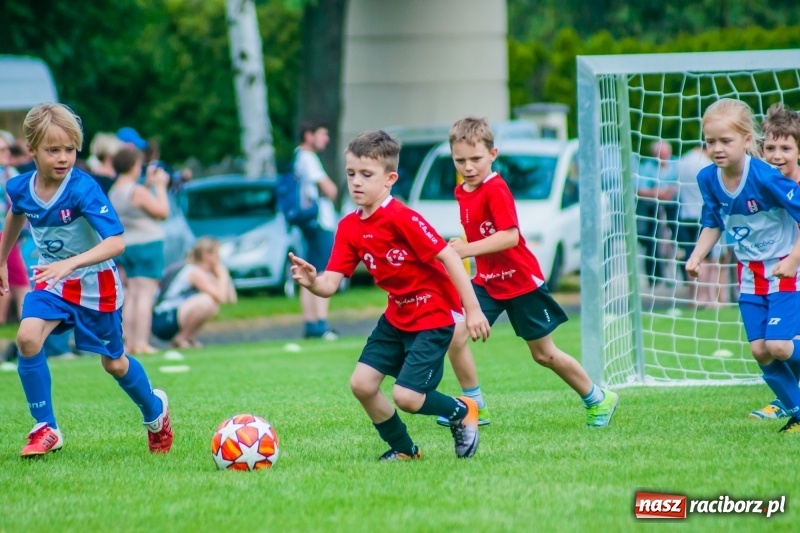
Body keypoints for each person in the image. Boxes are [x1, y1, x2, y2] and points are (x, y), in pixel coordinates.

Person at [289, 130, 489, 460]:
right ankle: (404, 449)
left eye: (366, 175)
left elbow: (450, 256)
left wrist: (473, 310)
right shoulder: (349, 226)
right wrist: (312, 281)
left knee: (408, 397)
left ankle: (461, 411)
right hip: (396, 319)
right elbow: (329, 285)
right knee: (362, 385)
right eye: (351, 173)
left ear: (389, 179)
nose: (356, 182)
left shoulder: (402, 217)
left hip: (432, 319)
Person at [0, 103, 172, 456]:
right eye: (53, 150)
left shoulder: (83, 188)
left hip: (96, 285)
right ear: (31, 149)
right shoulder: (18, 187)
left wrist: (71, 264)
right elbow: (16, 215)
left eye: (70, 149)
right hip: (52, 281)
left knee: (114, 363)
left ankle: (155, 412)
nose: (63, 158)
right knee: (28, 337)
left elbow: (116, 242)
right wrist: (2, 259)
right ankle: (45, 428)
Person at [446, 117, 619, 428]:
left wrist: (466, 249)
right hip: (486, 282)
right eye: (461, 160)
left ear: (493, 154)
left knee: (543, 355)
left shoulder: (495, 189)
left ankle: (597, 398)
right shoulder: (462, 191)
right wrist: (461, 244)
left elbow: (510, 236)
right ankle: (475, 406)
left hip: (520, 281)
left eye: (476, 159)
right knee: (453, 333)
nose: (469, 166)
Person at [686, 98, 800, 433]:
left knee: (779, 346)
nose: (717, 148)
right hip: (751, 277)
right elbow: (713, 220)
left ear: (748, 141)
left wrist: (793, 259)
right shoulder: (707, 178)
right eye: (710, 142)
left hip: (784, 273)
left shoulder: (765, 177)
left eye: (726, 141)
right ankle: (796, 411)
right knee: (760, 351)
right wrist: (697, 255)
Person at [747, 102, 800, 421]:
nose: (777, 155)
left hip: (793, 271)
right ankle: (788, 400)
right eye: (770, 148)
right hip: (778, 275)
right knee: (773, 344)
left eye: (786, 147)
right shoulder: (764, 184)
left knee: (782, 343)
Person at [108, 146, 170, 355]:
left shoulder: (115, 190)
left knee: (133, 293)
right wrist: (160, 187)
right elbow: (162, 212)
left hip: (128, 244)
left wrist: (147, 185)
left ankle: (130, 340)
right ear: (134, 165)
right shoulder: (137, 191)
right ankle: (141, 341)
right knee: (145, 294)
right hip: (147, 244)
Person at [294, 120, 339, 340]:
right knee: (323, 271)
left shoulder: (296, 157)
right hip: (319, 222)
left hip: (306, 223)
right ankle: (321, 324)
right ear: (308, 135)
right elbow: (329, 189)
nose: (326, 139)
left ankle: (311, 324)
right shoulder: (308, 158)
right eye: (322, 134)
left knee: (307, 270)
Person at [152, 237, 237, 349]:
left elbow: (230, 299)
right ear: (206, 255)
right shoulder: (194, 272)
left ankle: (189, 338)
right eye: (216, 253)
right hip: (165, 318)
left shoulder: (209, 273)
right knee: (208, 301)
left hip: (177, 314)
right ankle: (181, 338)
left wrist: (224, 275)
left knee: (212, 303)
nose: (219, 257)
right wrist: (222, 274)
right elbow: (220, 297)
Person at [677, 143, 728, 308]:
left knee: (692, 256)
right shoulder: (707, 165)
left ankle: (695, 298)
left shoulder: (682, 161)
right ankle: (709, 298)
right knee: (708, 259)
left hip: (685, 215)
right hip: (704, 216)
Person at [636, 140, 679, 288]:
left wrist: (671, 191)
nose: (662, 156)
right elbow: (640, 189)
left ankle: (679, 275)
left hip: (675, 209)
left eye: (665, 153)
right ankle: (655, 278)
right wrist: (657, 193)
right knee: (652, 243)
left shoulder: (677, 164)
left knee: (677, 241)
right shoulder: (646, 167)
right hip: (653, 208)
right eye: (659, 153)